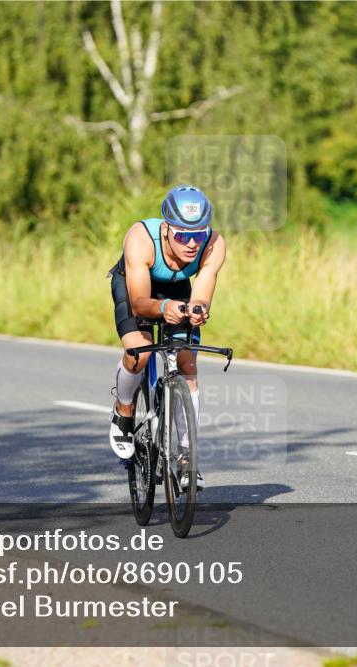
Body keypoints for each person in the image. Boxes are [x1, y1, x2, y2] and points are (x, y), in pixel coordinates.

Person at [106, 185, 227, 490]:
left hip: (178, 290)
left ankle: (186, 456)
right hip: (137, 289)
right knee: (139, 352)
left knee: (187, 365)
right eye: (182, 235)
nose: (191, 243)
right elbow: (139, 304)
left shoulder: (214, 244)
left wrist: (198, 310)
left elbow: (203, 290)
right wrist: (162, 308)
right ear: (166, 227)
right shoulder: (141, 239)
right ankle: (123, 412)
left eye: (198, 235)